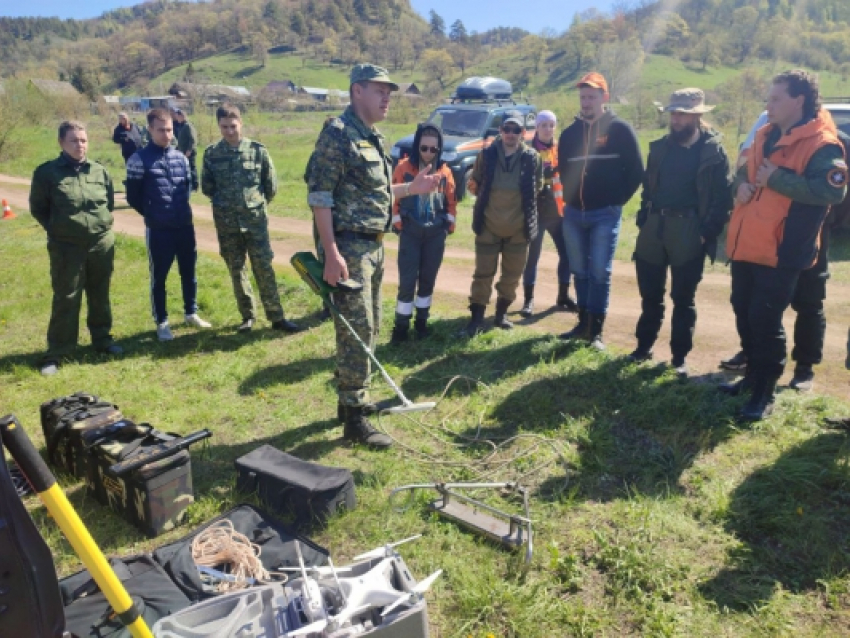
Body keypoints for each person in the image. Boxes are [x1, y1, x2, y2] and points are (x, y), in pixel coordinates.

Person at [306, 64, 439, 449]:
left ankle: (352, 400)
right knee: (356, 331)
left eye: (389, 92)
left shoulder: (374, 137)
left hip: (374, 245)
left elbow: (372, 194)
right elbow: (320, 195)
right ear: (356, 91)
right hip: (348, 247)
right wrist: (330, 252)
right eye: (379, 90)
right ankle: (355, 418)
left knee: (371, 325)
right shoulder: (338, 133)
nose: (386, 98)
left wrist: (410, 188)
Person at [723, 69, 846, 420]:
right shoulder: (765, 134)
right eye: (768, 98)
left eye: (776, 98)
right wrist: (740, 187)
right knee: (743, 308)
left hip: (782, 249)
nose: (769, 104)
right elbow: (743, 172)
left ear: (799, 100)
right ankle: (750, 378)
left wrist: (778, 179)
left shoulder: (822, 144)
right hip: (747, 241)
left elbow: (832, 191)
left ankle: (765, 392)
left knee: (765, 318)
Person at [628, 88, 732, 377]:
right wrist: (643, 218)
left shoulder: (713, 152)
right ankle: (643, 346)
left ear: (697, 116)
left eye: (682, 114)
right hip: (654, 227)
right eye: (673, 113)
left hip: (689, 229)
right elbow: (649, 187)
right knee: (650, 294)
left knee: (683, 298)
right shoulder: (659, 148)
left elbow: (723, 198)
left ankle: (679, 357)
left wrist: (706, 232)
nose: (676, 120)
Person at [557, 72, 644, 349]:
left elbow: (636, 172)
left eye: (591, 97)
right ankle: (582, 323)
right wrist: (569, 201)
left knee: (599, 272)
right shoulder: (569, 134)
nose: (586, 102)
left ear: (604, 98)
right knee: (579, 271)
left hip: (604, 214)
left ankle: (596, 332)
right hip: (573, 214)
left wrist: (616, 201)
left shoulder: (620, 129)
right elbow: (563, 170)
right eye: (582, 97)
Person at [29, 120, 123, 375]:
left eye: (83, 140)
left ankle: (102, 341)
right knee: (66, 297)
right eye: (73, 140)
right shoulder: (47, 173)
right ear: (61, 143)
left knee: (100, 293)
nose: (79, 145)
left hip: (100, 244)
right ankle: (58, 351)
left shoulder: (99, 171)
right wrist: (60, 230)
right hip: (66, 248)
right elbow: (39, 208)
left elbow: (109, 204)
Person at [202, 104, 300, 334]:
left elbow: (270, 186)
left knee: (264, 267)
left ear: (241, 123)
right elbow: (207, 187)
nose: (229, 131)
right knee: (237, 269)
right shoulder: (212, 154)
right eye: (224, 127)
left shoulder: (257, 151)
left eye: (233, 126)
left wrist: (254, 204)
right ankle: (247, 317)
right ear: (219, 126)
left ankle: (276, 316)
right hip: (227, 223)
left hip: (255, 221)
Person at [126, 107, 211, 341]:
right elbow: (133, 196)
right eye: (161, 130)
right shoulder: (138, 159)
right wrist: (154, 213)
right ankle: (162, 321)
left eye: (170, 130)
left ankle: (190, 312)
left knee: (189, 272)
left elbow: (187, 188)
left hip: (184, 226)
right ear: (150, 130)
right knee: (160, 277)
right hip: (159, 230)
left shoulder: (180, 159)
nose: (167, 135)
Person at [462, 110, 543, 336]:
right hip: (488, 226)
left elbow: (537, 187)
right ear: (500, 131)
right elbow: (474, 181)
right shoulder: (486, 154)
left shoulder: (532, 158)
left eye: (516, 130)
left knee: (512, 275)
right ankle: (476, 317)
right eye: (506, 129)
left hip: (519, 229)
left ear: (523, 133)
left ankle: (501, 314)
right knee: (483, 274)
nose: (510, 134)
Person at [389, 123, 457, 343]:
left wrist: (448, 226)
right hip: (410, 235)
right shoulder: (403, 169)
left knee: (427, 282)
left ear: (439, 150)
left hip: (434, 237)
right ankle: (400, 329)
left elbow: (451, 203)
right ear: (417, 145)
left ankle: (421, 324)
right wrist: (399, 225)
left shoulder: (445, 173)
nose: (428, 153)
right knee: (407, 283)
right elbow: (393, 200)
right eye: (424, 147)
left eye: (433, 149)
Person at [520, 110, 576, 318]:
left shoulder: (561, 150)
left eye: (551, 125)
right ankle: (528, 301)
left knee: (567, 254)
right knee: (533, 257)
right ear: (537, 127)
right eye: (543, 125)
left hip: (558, 212)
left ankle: (563, 295)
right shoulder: (527, 151)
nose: (547, 129)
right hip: (536, 212)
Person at [172, 108, 199, 191]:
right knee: (185, 169)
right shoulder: (181, 126)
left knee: (191, 168)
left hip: (189, 152)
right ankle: (187, 184)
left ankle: (195, 186)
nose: (177, 118)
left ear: (182, 116)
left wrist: (189, 150)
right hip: (182, 151)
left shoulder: (188, 126)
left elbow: (193, 139)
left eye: (178, 116)